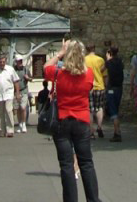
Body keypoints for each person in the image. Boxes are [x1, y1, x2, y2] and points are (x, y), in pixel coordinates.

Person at [44, 39, 102, 202]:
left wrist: (60, 53)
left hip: (62, 120)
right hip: (82, 120)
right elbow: (90, 88)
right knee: (86, 163)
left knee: (66, 165)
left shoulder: (58, 74)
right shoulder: (88, 74)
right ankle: (93, 199)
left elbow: (46, 67)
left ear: (67, 55)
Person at [0, 54, 21, 138]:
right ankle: (1, 131)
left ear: (6, 62)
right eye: (0, 62)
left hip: (8, 93)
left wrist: (17, 93)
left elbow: (16, 81)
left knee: (8, 110)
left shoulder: (10, 69)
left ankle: (10, 131)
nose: (2, 63)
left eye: (3, 62)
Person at [84, 43, 107, 139]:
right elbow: (105, 74)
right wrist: (105, 85)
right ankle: (99, 127)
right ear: (94, 49)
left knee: (89, 109)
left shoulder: (84, 60)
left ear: (86, 49)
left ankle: (91, 131)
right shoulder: (100, 60)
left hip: (88, 86)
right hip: (100, 86)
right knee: (99, 108)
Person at [104, 45, 124, 142]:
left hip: (111, 88)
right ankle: (117, 131)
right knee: (116, 108)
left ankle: (117, 133)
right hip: (119, 88)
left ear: (110, 53)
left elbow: (101, 70)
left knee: (113, 111)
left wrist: (108, 59)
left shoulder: (109, 62)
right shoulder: (120, 61)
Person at [13, 54, 30, 133]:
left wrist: (28, 78)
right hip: (15, 91)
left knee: (23, 108)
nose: (20, 62)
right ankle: (20, 124)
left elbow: (31, 78)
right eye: (19, 61)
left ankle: (24, 124)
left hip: (24, 90)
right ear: (16, 62)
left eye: (21, 61)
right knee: (18, 109)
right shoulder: (13, 70)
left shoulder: (26, 69)